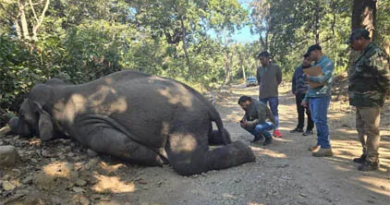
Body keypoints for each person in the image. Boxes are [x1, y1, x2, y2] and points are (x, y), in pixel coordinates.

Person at [346, 28, 390, 171]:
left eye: (352, 43)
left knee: (371, 130)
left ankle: (373, 160)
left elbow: (385, 76)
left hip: (371, 99)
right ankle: (366, 154)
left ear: (361, 39)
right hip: (361, 99)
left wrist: (384, 92)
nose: (352, 46)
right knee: (361, 128)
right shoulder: (365, 53)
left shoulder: (375, 53)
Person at [301, 44, 334, 157]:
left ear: (316, 51)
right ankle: (320, 143)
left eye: (310, 54)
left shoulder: (327, 63)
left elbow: (324, 79)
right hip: (314, 96)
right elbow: (311, 86)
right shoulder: (315, 65)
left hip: (322, 95)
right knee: (317, 120)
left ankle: (326, 147)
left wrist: (309, 77)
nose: (309, 57)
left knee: (321, 121)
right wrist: (306, 98)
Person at [256, 51, 283, 138]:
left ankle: (276, 130)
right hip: (262, 94)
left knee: (274, 112)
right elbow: (259, 80)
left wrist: (273, 85)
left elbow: (279, 79)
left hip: (273, 94)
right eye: (260, 60)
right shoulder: (259, 69)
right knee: (262, 112)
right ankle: (262, 130)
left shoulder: (276, 67)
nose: (261, 61)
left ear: (268, 58)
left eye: (262, 59)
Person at [290, 55, 314, 136]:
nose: (305, 61)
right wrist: (294, 90)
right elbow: (294, 80)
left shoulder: (314, 69)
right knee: (300, 111)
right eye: (305, 59)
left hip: (309, 94)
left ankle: (310, 129)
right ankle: (300, 127)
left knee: (309, 111)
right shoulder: (298, 69)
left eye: (308, 59)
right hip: (299, 93)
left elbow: (317, 83)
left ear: (311, 61)